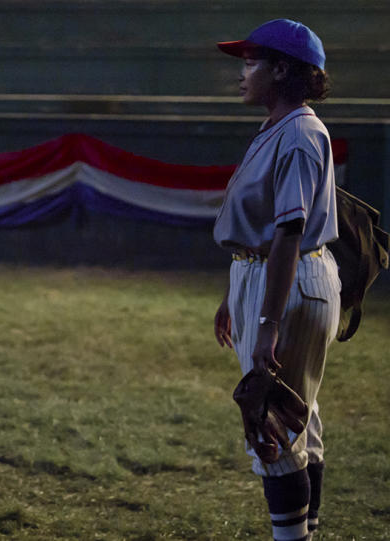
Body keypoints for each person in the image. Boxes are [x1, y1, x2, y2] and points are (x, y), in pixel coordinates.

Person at [212, 19, 339, 541]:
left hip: (285, 283)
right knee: (297, 423)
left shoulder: (302, 134)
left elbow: (289, 233)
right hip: (266, 277)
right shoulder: (280, 127)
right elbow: (264, 227)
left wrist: (266, 323)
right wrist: (232, 295)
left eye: (251, 63)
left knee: (272, 425)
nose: (242, 74)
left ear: (282, 69)